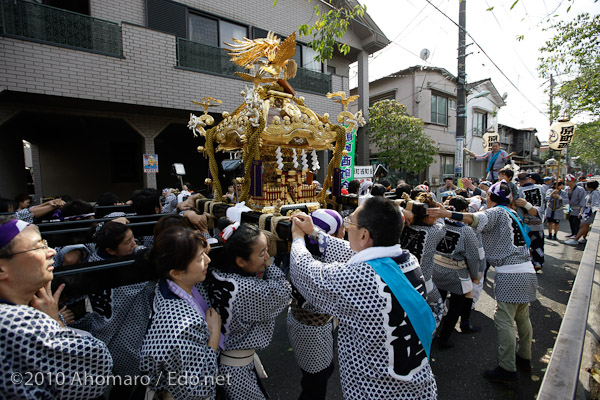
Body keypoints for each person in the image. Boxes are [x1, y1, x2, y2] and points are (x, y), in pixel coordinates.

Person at [290, 196, 437, 399]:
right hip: (419, 387)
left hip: (379, 392)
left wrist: (298, 238)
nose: (347, 228)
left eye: (350, 222)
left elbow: (305, 272)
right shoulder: (407, 260)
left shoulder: (360, 278)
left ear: (364, 235)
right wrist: (314, 232)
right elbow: (355, 253)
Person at [427, 181, 537, 382]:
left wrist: (447, 214)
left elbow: (474, 219)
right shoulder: (513, 213)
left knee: (504, 321)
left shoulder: (497, 212)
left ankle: (507, 368)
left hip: (510, 273)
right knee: (522, 317)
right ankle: (525, 357)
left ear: (491, 198)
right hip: (527, 269)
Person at [0, 216, 113, 399]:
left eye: (45, 243)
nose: (52, 252)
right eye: (38, 247)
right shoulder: (15, 321)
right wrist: (54, 322)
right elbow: (97, 369)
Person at [207, 223, 291, 400]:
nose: (267, 256)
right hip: (236, 369)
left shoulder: (216, 271)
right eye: (262, 253)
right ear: (240, 261)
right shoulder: (246, 289)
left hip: (225, 360)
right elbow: (283, 291)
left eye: (267, 250)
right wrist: (269, 264)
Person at [140, 226, 222, 400]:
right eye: (200, 258)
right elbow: (197, 388)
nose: (208, 260)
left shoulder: (168, 285)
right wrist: (214, 336)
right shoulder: (183, 325)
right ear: (176, 272)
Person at [287, 209, 349, 400]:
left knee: (316, 375)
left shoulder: (301, 253)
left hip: (301, 321)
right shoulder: (331, 264)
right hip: (314, 330)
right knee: (315, 384)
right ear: (331, 234)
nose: (345, 231)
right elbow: (350, 250)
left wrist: (302, 235)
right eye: (342, 227)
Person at [433, 196, 483, 348]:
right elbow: (473, 257)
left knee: (437, 304)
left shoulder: (438, 223)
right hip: (456, 273)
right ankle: (444, 338)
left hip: (436, 269)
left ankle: (432, 332)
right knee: (455, 307)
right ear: (462, 211)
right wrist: (475, 274)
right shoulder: (466, 231)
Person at [399, 192, 446, 327]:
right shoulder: (435, 231)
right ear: (431, 216)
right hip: (423, 281)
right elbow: (442, 221)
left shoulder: (403, 226)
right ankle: (428, 334)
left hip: (400, 278)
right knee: (437, 307)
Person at [565, 180, 600, 245]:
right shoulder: (591, 192)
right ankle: (583, 238)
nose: (585, 186)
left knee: (583, 226)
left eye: (586, 185)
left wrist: (596, 209)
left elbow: (596, 203)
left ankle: (576, 239)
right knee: (585, 226)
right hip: (587, 211)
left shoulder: (595, 193)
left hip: (590, 212)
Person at [564, 174, 586, 239]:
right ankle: (573, 233)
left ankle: (576, 234)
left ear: (573, 181)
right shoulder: (566, 189)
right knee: (571, 221)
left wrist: (581, 208)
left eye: (568, 181)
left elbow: (583, 199)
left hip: (577, 208)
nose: (567, 182)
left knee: (576, 222)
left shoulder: (580, 189)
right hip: (570, 207)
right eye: (566, 181)